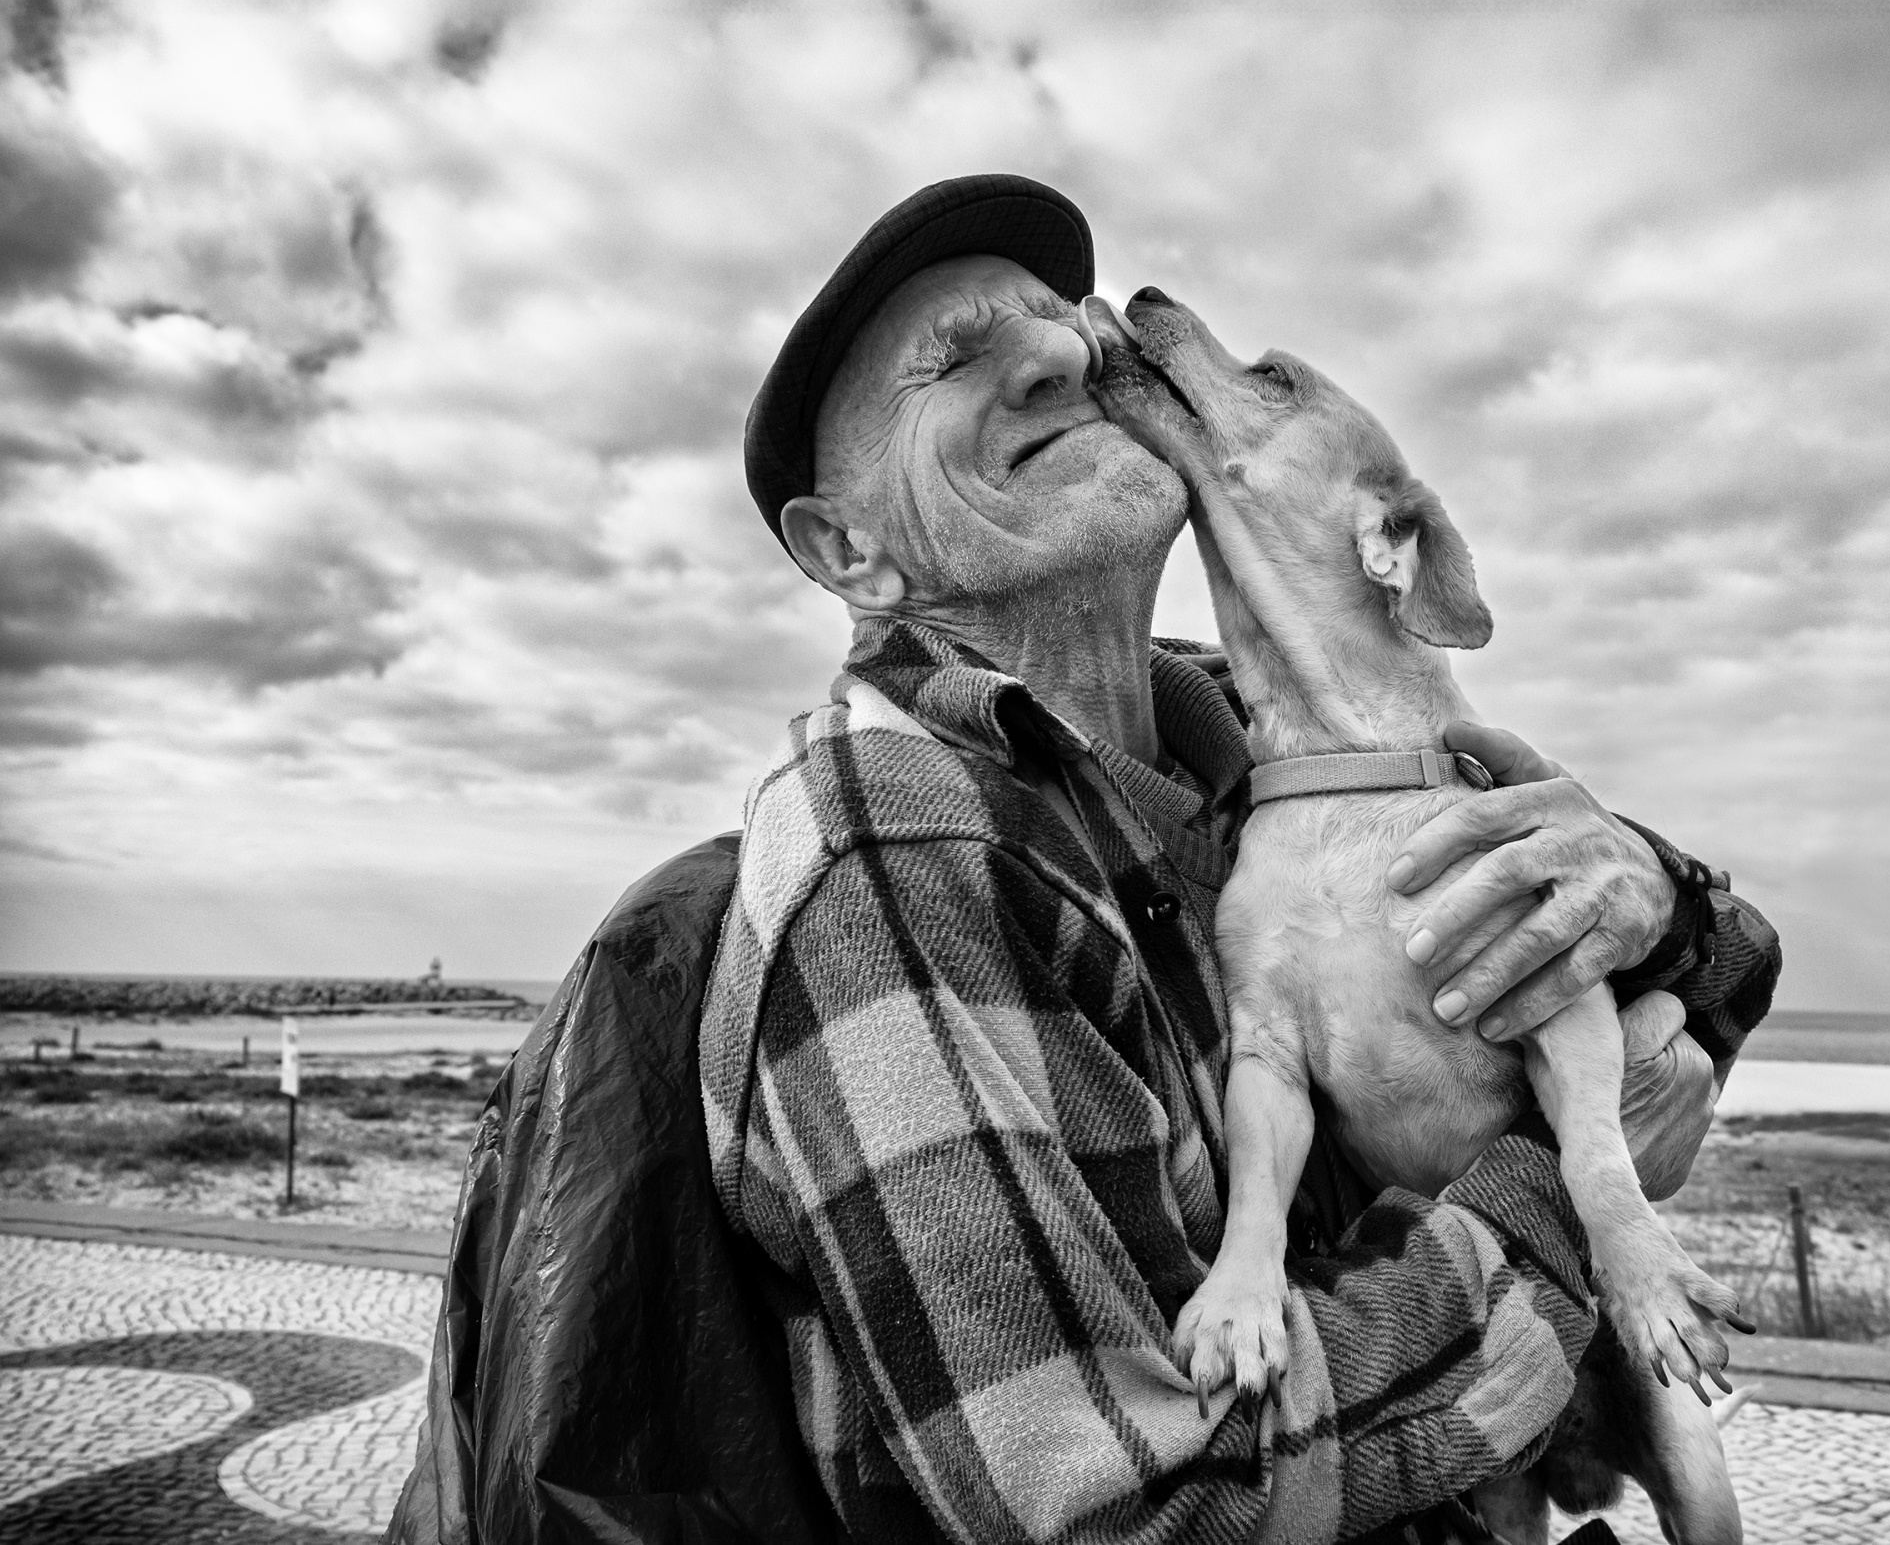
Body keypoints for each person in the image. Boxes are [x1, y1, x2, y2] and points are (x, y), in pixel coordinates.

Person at [690, 174, 1782, 1545]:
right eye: (957, 359)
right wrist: (1572, 1205)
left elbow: (1727, 980)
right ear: (850, 553)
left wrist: (1658, 906)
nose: (1067, 351)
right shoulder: (885, 859)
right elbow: (1130, 1502)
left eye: (1056, 316)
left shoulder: (1251, 746)